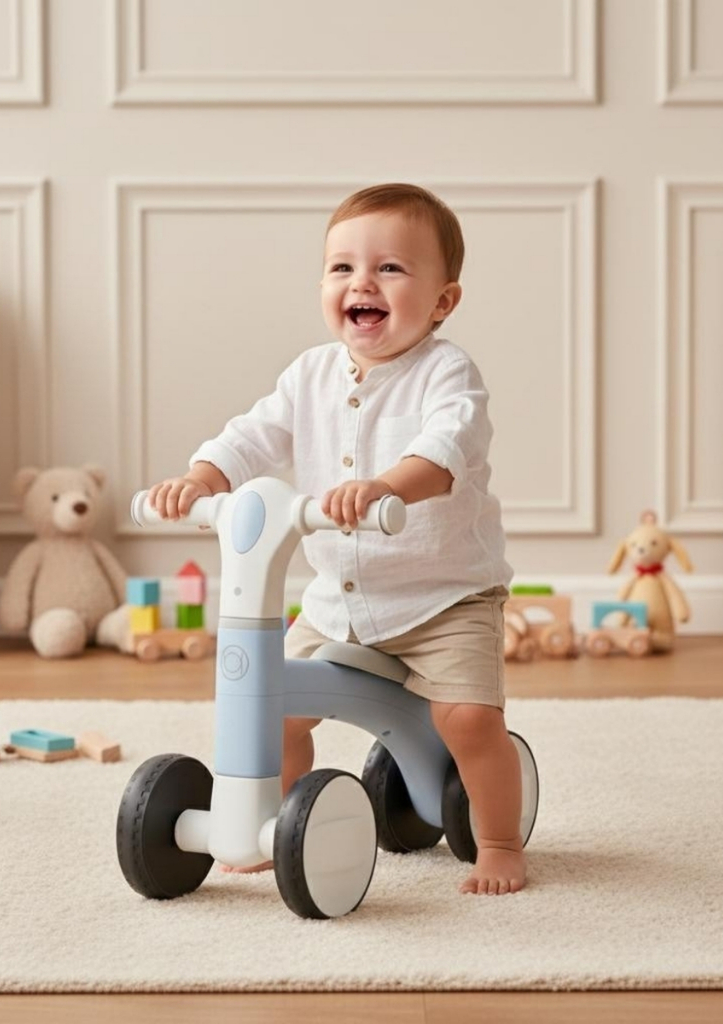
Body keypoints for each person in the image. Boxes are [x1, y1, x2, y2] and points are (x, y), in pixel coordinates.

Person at [147, 183, 523, 895]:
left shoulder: (447, 373)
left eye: (390, 269)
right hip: (337, 601)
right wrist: (201, 478)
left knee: (469, 720)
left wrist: (385, 487)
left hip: (443, 600)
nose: (362, 283)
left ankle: (500, 839)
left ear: (443, 301)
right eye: (342, 268)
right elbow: (253, 435)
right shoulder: (308, 375)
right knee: (270, 701)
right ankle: (271, 823)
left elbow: (449, 446)